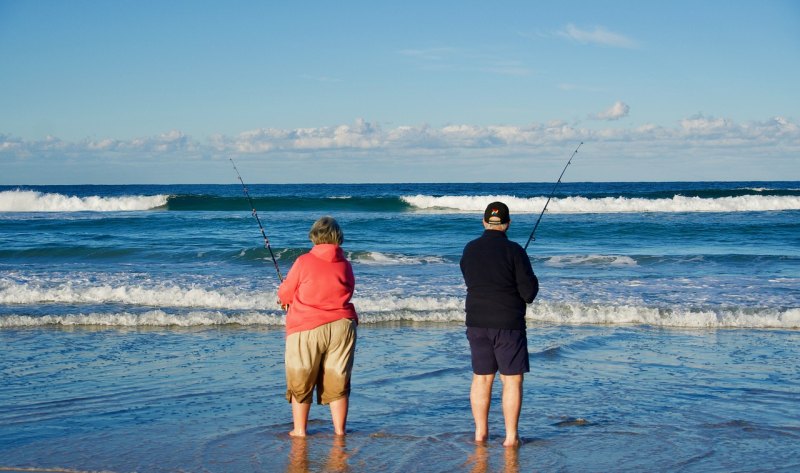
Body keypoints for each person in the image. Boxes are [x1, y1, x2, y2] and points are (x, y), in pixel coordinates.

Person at [460, 201, 539, 447]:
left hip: (476, 321)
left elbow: (470, 278)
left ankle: (480, 433)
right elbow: (529, 293)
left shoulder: (470, 249)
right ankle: (510, 437)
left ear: (484, 222)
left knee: (481, 378)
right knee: (512, 380)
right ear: (507, 224)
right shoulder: (515, 251)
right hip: (508, 323)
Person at [278, 216, 358, 437]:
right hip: (342, 325)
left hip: (307, 326)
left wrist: (286, 299)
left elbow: (285, 293)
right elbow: (348, 290)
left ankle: (300, 430)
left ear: (315, 236)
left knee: (301, 376)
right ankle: (340, 431)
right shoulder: (345, 264)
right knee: (338, 377)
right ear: (337, 237)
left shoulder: (304, 261)